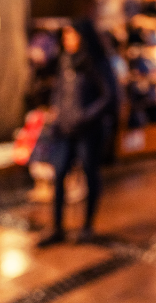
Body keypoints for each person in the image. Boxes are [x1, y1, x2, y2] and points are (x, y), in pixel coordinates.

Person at [38, 20, 116, 246]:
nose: (67, 40)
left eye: (72, 35)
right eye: (66, 35)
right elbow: (59, 89)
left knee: (90, 174)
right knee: (59, 173)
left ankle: (87, 227)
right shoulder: (65, 61)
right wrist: (55, 110)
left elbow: (108, 96)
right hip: (64, 129)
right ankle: (57, 227)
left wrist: (85, 115)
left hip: (88, 131)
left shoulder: (96, 63)